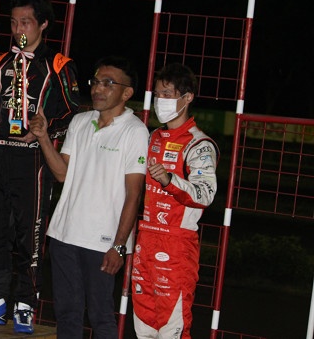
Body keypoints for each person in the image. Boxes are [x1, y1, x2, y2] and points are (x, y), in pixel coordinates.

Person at [0, 0, 80, 334]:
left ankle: (25, 304)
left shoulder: (59, 65)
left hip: (35, 158)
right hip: (1, 154)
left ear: (43, 24)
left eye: (26, 22)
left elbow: (73, 113)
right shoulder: (1, 62)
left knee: (30, 234)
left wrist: (46, 130)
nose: (18, 29)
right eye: (13, 22)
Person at [31, 56, 149, 338]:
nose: (98, 89)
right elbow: (62, 174)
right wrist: (44, 137)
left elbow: (134, 195)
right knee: (67, 314)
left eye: (108, 83)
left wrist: (119, 246)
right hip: (64, 235)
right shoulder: (81, 121)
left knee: (101, 316)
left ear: (127, 93)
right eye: (96, 82)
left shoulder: (135, 131)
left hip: (102, 243)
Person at [131, 63, 219, 338]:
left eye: (168, 94)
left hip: (176, 245)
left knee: (173, 328)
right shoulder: (153, 137)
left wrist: (170, 181)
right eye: (158, 94)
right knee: (144, 326)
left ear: (187, 97)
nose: (161, 101)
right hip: (145, 239)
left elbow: (205, 194)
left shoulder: (199, 144)